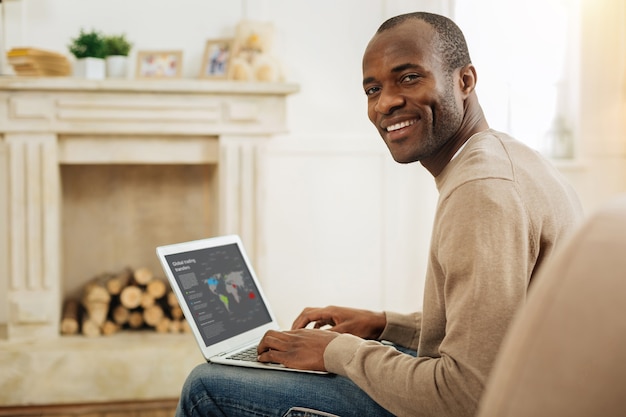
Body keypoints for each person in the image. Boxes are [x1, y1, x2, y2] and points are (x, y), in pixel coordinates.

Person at [175, 11, 583, 417]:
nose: (385, 102)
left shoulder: (481, 192)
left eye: (409, 78)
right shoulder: (509, 161)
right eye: (373, 89)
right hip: (529, 391)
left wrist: (340, 351)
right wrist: (384, 325)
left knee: (206, 387)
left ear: (464, 81)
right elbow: (492, 329)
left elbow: (466, 396)